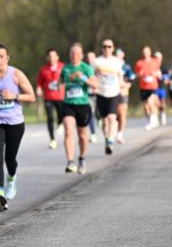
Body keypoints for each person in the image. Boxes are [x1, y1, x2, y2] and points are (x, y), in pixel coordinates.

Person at [0, 44, 36, 212]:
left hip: (15, 123)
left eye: (2, 56)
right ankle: (0, 195)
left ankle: (11, 179)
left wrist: (14, 96)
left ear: (7, 58)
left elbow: (31, 96)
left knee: (10, 159)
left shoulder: (16, 74)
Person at [60, 43, 98, 174]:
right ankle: (70, 161)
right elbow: (61, 84)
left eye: (77, 53)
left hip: (82, 105)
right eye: (72, 53)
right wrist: (58, 89)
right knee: (68, 131)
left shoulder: (86, 68)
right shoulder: (65, 68)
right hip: (68, 104)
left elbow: (95, 85)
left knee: (82, 135)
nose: (74, 55)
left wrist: (83, 78)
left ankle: (81, 158)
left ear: (81, 55)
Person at [94, 40, 124, 154]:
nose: (106, 48)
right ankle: (107, 138)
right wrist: (94, 86)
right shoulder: (97, 61)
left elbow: (120, 75)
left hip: (114, 93)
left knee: (112, 118)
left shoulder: (117, 62)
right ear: (102, 48)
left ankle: (110, 141)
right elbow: (92, 75)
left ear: (113, 48)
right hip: (101, 93)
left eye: (109, 46)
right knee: (105, 121)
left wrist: (122, 87)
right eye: (104, 46)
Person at [35, 48, 65, 149]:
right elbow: (39, 82)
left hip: (60, 97)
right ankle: (52, 139)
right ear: (48, 58)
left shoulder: (63, 67)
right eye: (50, 56)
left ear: (57, 57)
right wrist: (39, 89)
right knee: (50, 118)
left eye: (54, 56)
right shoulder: (44, 69)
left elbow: (68, 79)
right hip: (49, 97)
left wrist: (63, 84)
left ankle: (60, 123)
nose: (52, 58)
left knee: (61, 115)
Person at [134, 45, 162, 130]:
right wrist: (140, 74)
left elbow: (159, 74)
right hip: (143, 87)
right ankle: (151, 119)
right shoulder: (139, 63)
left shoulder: (155, 61)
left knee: (150, 102)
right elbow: (136, 75)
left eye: (147, 52)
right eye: (144, 52)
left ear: (150, 52)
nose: (145, 53)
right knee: (146, 107)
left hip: (153, 86)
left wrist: (155, 74)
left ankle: (153, 121)